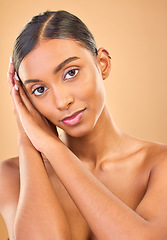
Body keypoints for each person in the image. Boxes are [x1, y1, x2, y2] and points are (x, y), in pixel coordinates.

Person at [0, 10, 167, 240]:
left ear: (103, 64)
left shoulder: (159, 165)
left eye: (71, 73)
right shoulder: (11, 176)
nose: (62, 101)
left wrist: (52, 146)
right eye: (39, 90)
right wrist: (28, 141)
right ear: (25, 100)